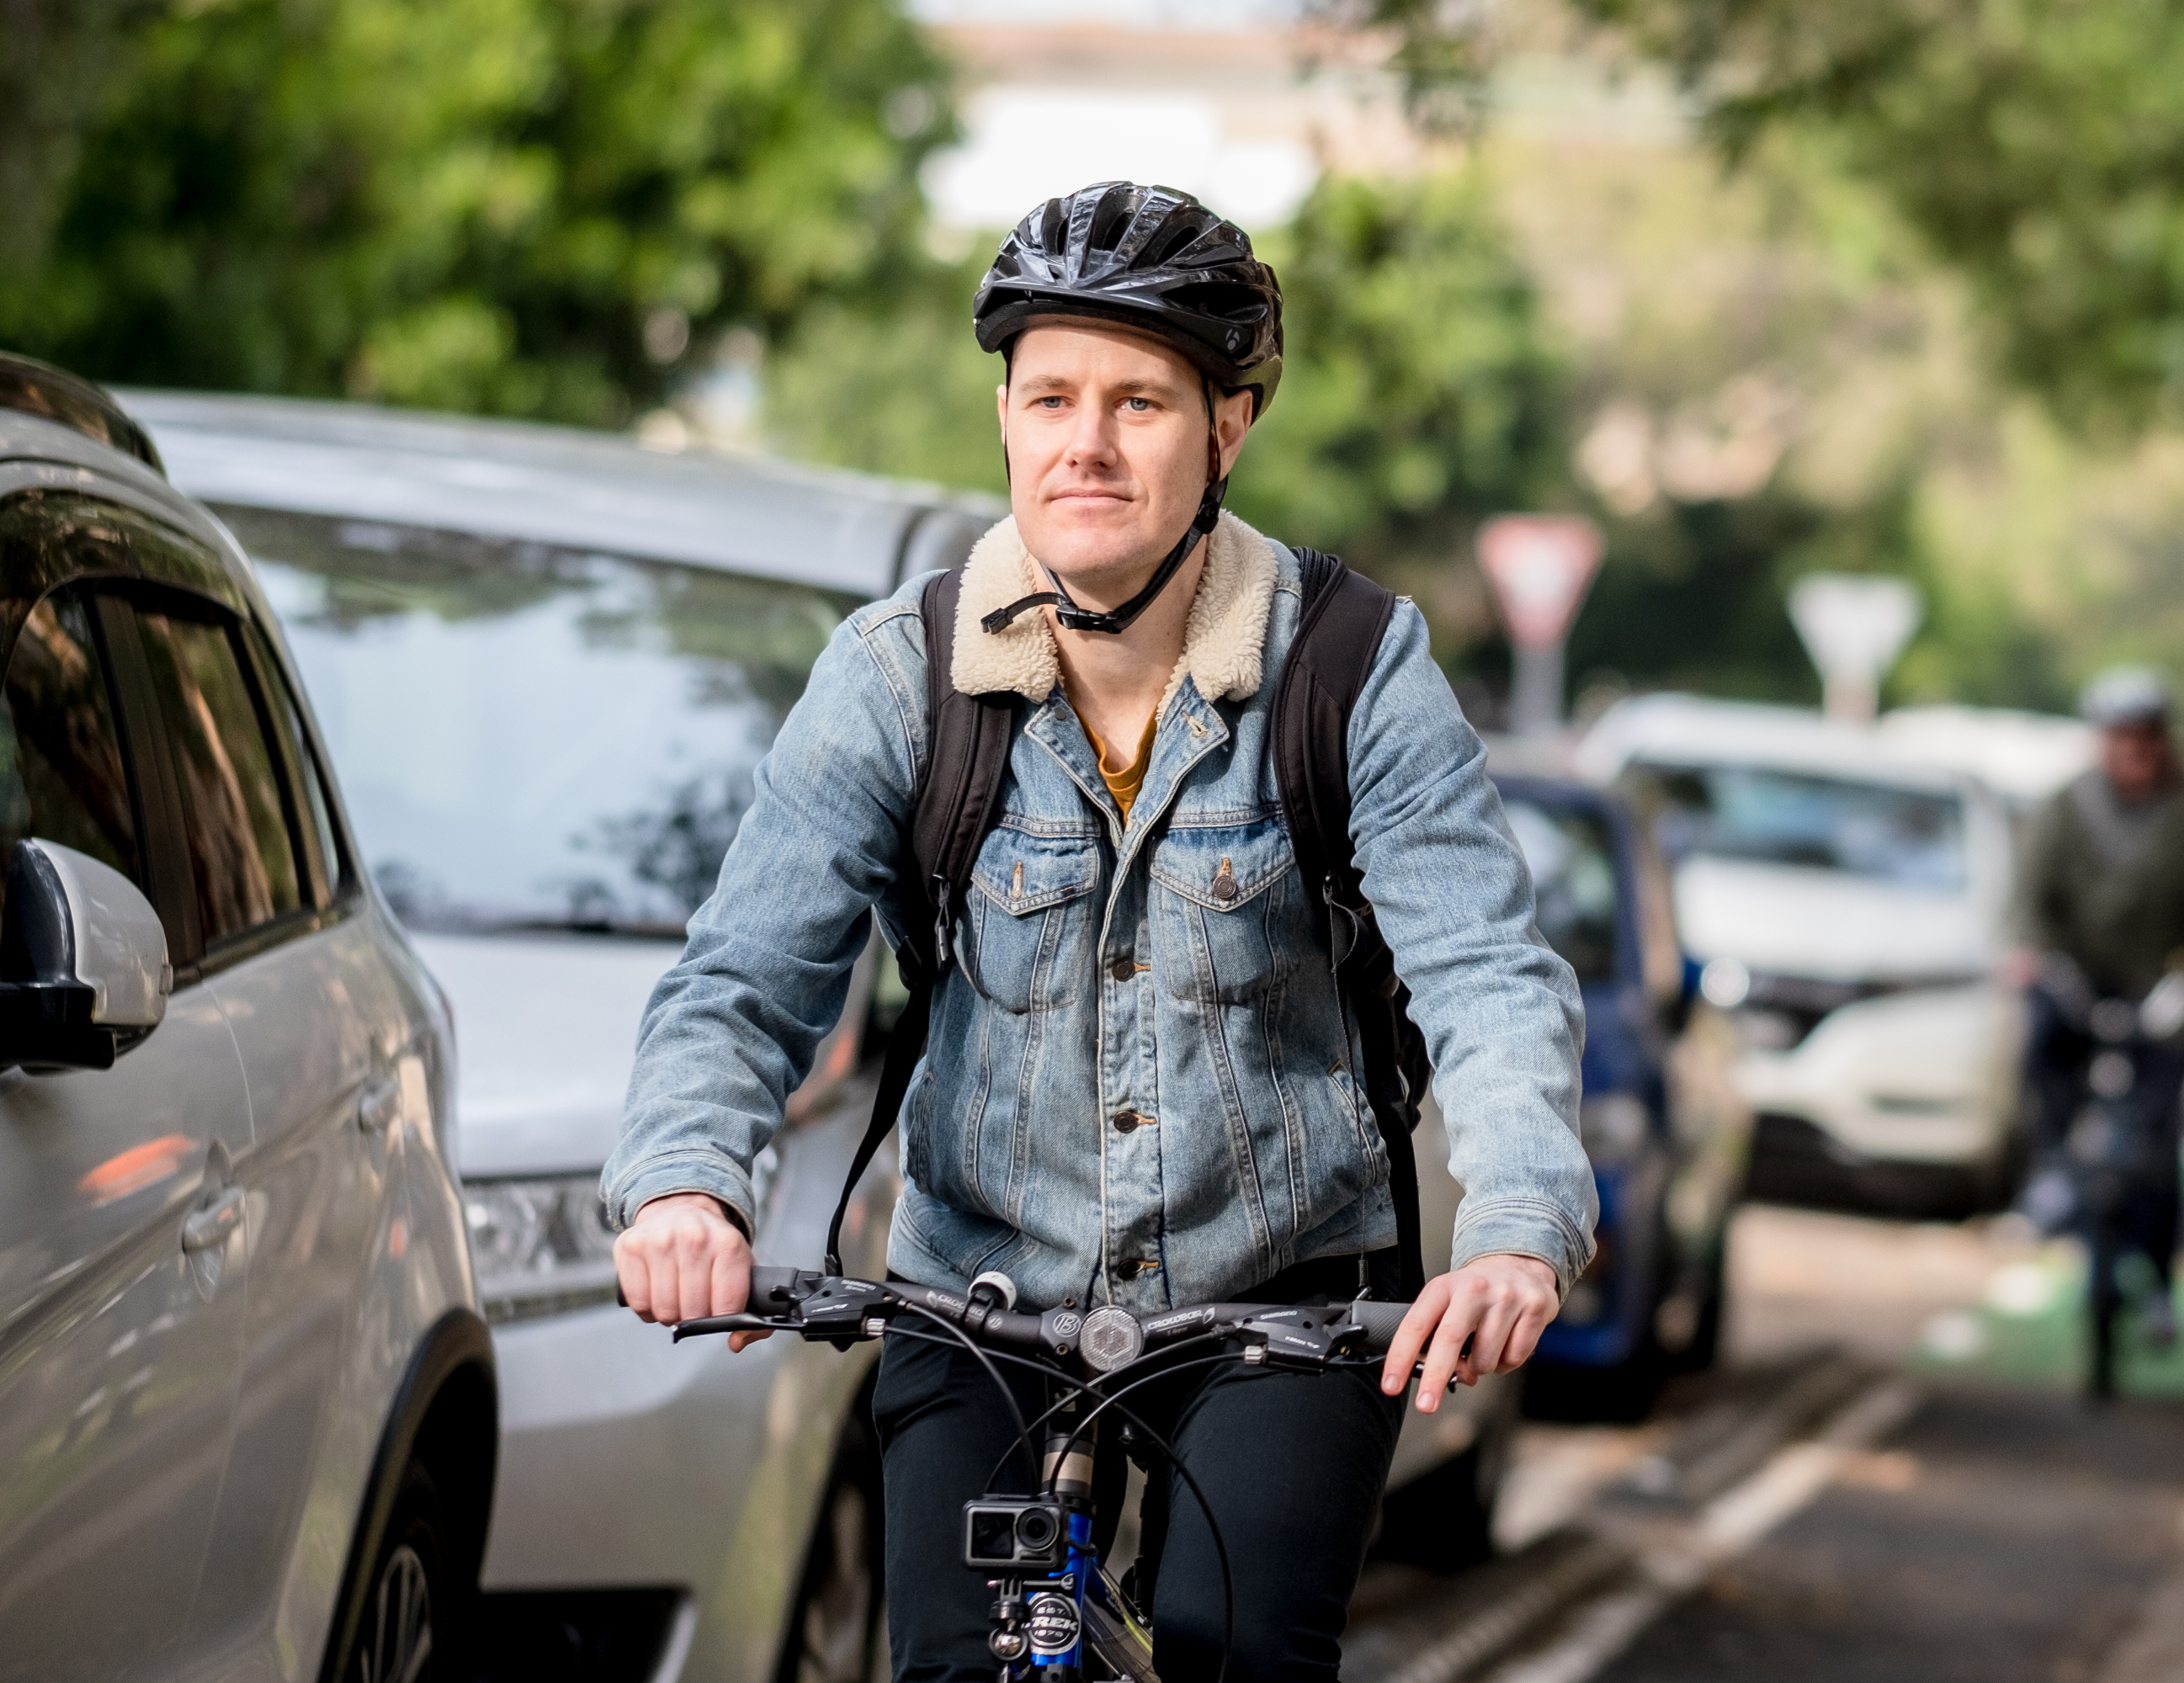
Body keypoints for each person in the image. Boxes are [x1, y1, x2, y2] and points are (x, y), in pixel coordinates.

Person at [600, 183, 1595, 1681]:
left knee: (1230, 1655)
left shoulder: (1349, 670)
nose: (1088, 442)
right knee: (954, 1667)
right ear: (1003, 413)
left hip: (1283, 1308)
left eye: (1140, 401)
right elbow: (742, 983)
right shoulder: (898, 678)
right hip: (980, 1289)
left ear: (1229, 427)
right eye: (1051, 394)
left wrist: (1518, 1229)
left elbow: (1491, 981)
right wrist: (687, 1182)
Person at [2007, 667, 2184, 1346]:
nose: (2134, 754)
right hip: (2080, 979)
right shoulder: (2065, 808)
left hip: (2165, 991)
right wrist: (2029, 952)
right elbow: (2028, 898)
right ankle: (2052, 1169)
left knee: (2161, 1142)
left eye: (2146, 739)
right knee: (2042, 1041)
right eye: (2120, 739)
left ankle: (2162, 1286)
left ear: (2163, 743)